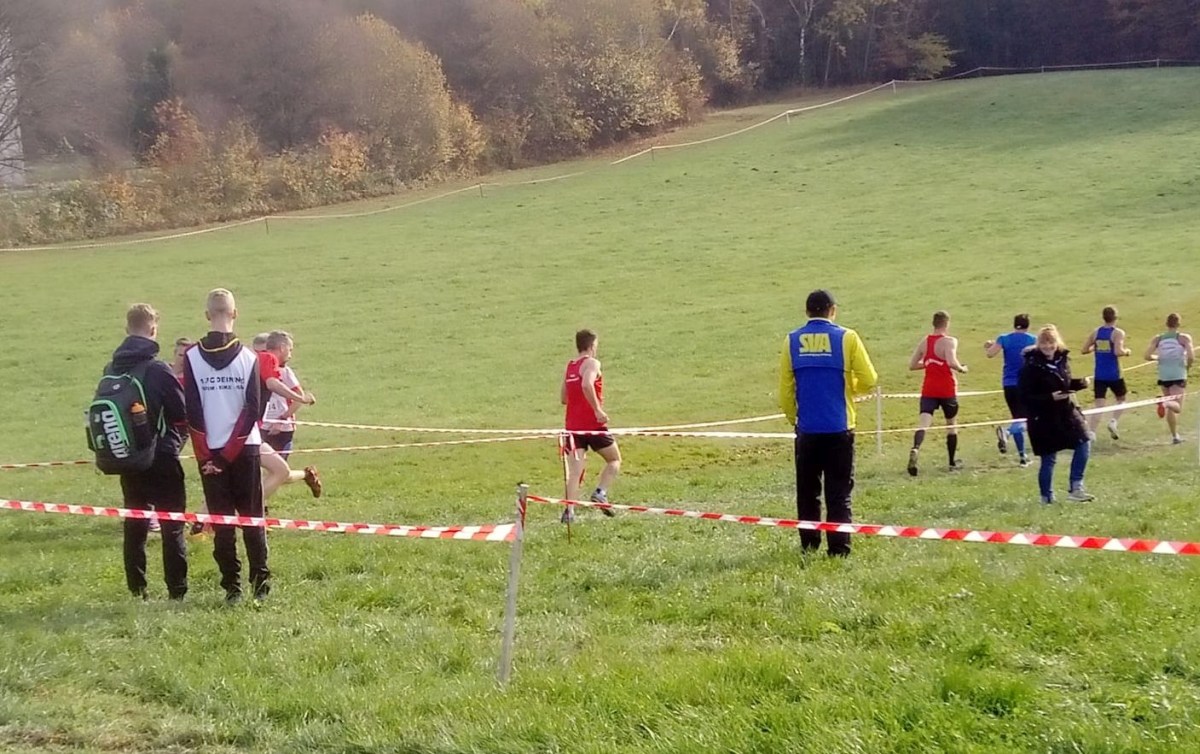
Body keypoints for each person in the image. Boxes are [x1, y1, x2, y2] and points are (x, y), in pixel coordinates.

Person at [182, 288, 270, 604]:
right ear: (235, 313)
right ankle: (261, 586)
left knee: (222, 524)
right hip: (245, 449)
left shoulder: (191, 358)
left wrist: (211, 458)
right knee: (252, 519)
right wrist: (228, 455)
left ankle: (232, 588)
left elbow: (192, 412)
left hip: (209, 451)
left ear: (208, 315)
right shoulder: (250, 358)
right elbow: (252, 411)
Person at [779, 290, 878, 557]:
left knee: (807, 492)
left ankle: (809, 545)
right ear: (833, 310)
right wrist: (851, 390)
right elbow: (869, 379)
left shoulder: (792, 341)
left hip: (807, 429)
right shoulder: (847, 338)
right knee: (839, 492)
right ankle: (839, 548)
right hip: (839, 427)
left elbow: (785, 390)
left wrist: (794, 418)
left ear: (807, 311)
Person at [106, 304, 188, 599]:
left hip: (129, 457)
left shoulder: (111, 369)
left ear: (126, 329)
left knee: (135, 523)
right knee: (172, 525)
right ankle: (176, 591)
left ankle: (137, 589)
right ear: (153, 330)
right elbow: (180, 412)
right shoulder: (158, 369)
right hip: (161, 455)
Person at [1018, 325, 1094, 504]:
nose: (1048, 346)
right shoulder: (1030, 366)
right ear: (1038, 344)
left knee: (1084, 442)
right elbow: (1024, 396)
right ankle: (1046, 497)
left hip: (1066, 413)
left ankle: (1076, 488)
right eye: (1044, 343)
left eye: (1051, 342)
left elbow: (1064, 383)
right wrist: (1049, 397)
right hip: (1042, 418)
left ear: (1057, 342)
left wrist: (1080, 383)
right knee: (1049, 459)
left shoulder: (1062, 359)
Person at [252, 332, 321, 503]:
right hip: (250, 430)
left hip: (255, 429)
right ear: (282, 348)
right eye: (289, 350)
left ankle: (251, 509)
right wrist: (301, 399)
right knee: (279, 472)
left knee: (279, 471)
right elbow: (272, 384)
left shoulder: (258, 362)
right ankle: (249, 510)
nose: (290, 354)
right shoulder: (267, 358)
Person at [561, 329, 620, 523]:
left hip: (573, 427)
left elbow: (563, 398)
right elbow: (587, 384)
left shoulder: (570, 366)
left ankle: (569, 511)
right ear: (592, 345)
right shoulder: (592, 363)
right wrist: (597, 410)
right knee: (614, 459)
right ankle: (600, 492)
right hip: (593, 426)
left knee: (575, 471)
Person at [907, 310, 968, 476]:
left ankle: (916, 447)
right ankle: (952, 462)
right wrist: (962, 369)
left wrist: (929, 363)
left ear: (933, 324)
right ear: (946, 324)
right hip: (947, 389)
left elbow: (912, 365)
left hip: (929, 389)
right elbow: (951, 362)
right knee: (951, 425)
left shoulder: (925, 342)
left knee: (923, 423)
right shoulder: (949, 341)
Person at [985, 314, 1036, 467]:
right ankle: (1006, 433)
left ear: (1014, 325)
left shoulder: (1004, 338)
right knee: (1027, 419)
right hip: (1025, 384)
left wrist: (990, 345)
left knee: (1017, 418)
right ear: (1027, 325)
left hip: (1008, 384)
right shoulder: (1032, 340)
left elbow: (990, 353)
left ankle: (1022, 456)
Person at [1081, 306, 1131, 440]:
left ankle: (1092, 432)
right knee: (1121, 399)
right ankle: (1113, 421)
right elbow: (1117, 351)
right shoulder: (1117, 333)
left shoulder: (1096, 332)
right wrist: (1127, 352)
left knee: (1099, 405)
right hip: (1114, 373)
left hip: (1099, 374)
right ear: (1115, 317)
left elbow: (1084, 349)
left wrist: (1095, 348)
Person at [1144, 313, 1194, 445]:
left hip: (1164, 375)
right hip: (1178, 373)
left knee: (1172, 404)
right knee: (1177, 407)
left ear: (1167, 324)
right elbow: (1191, 356)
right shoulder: (1183, 338)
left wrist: (1158, 358)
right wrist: (1187, 367)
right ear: (1178, 324)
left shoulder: (1158, 338)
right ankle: (1164, 403)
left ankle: (1175, 436)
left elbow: (1147, 356)